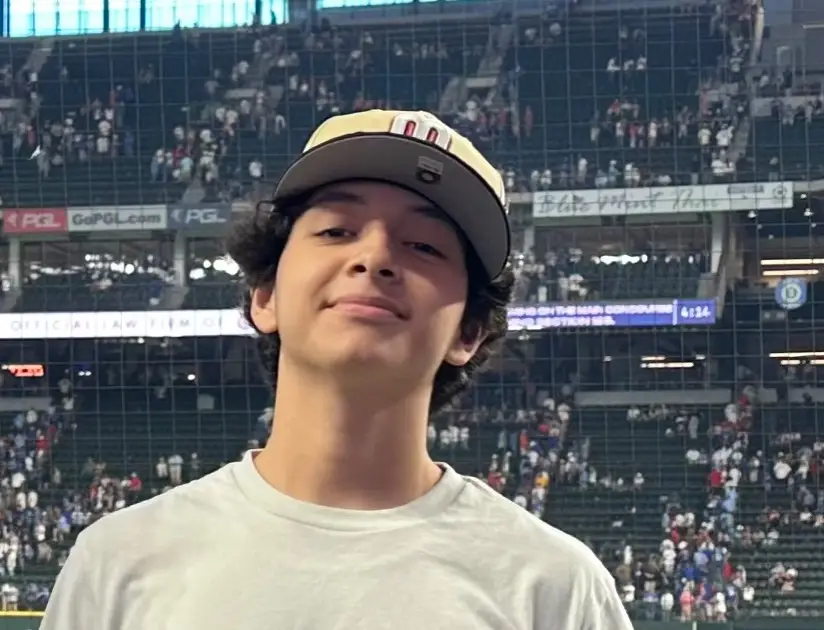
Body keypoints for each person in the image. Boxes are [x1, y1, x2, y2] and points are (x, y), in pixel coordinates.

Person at [41, 110, 633, 630]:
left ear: (468, 331)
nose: (374, 256)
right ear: (266, 295)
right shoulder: (119, 563)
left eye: (424, 246)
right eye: (336, 231)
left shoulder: (555, 588)